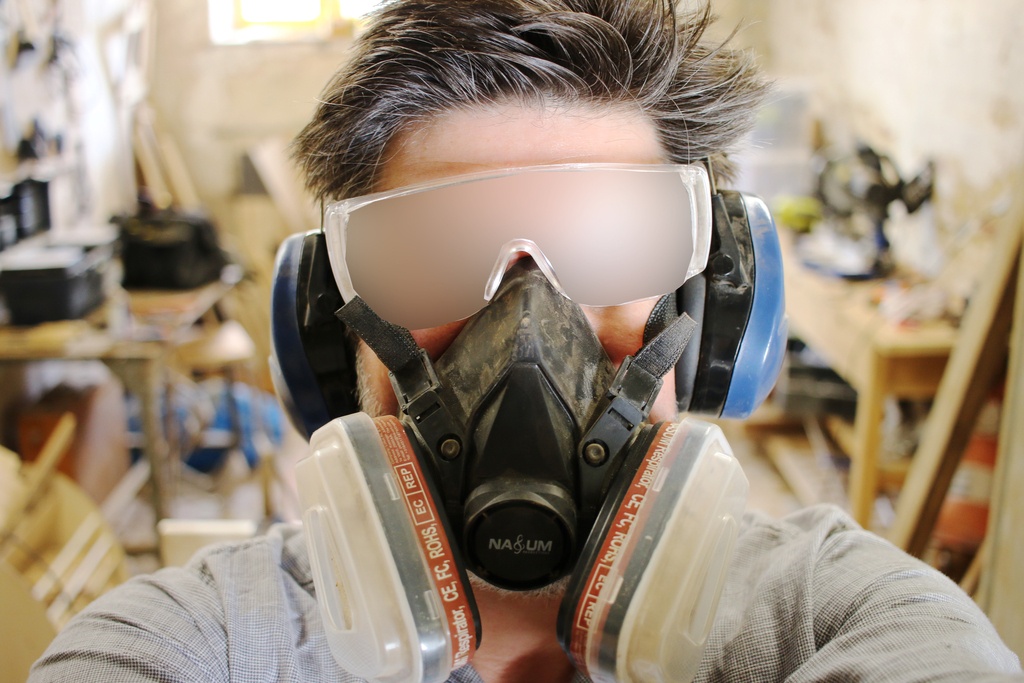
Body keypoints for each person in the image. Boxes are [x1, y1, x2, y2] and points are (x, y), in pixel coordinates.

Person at [29, 1, 1024, 682]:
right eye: (433, 251)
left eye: (608, 248)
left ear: (716, 316)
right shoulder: (202, 638)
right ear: (327, 331)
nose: (529, 326)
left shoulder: (840, 615)